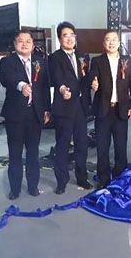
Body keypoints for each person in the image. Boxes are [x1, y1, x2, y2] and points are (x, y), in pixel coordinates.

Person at [0, 31, 51, 200]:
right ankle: (15, 189)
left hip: (35, 114)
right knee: (15, 153)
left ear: (33, 45)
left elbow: (44, 87)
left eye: (28, 41)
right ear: (15, 44)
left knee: (33, 153)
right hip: (15, 115)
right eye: (20, 41)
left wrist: (46, 109)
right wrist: (21, 86)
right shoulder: (7, 62)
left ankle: (33, 186)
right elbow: (7, 78)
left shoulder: (40, 61)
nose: (24, 44)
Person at [88, 30, 131, 189]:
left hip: (121, 109)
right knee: (102, 147)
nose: (111, 42)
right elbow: (92, 77)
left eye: (114, 39)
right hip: (103, 110)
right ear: (104, 43)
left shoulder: (127, 61)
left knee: (121, 146)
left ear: (118, 42)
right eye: (108, 40)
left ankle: (120, 177)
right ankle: (103, 179)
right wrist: (93, 83)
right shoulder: (97, 61)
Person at [48, 21, 92, 194]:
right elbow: (57, 77)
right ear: (60, 39)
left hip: (81, 107)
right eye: (65, 35)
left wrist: (93, 83)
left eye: (72, 35)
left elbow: (86, 78)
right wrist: (62, 89)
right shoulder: (55, 58)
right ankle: (62, 181)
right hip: (64, 107)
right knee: (62, 146)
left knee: (82, 144)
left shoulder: (82, 56)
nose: (69, 38)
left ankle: (82, 178)